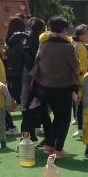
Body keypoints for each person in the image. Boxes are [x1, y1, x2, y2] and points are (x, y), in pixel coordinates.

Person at [31, 16, 80, 156]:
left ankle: (49, 146)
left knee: (57, 118)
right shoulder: (68, 47)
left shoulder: (44, 44)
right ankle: (58, 149)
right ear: (64, 30)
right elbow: (76, 67)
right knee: (64, 119)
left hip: (44, 88)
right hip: (62, 88)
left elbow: (37, 61)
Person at [72, 24, 88, 138]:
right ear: (80, 36)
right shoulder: (80, 47)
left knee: (79, 105)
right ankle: (84, 128)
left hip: (78, 79)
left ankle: (80, 128)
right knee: (84, 105)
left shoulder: (77, 45)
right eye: (86, 33)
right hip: (83, 79)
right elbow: (83, 65)